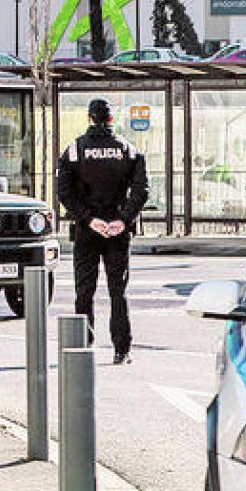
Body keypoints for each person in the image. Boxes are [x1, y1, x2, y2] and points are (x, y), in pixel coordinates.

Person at [57, 99, 149, 364]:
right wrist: (123, 219)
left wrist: (88, 218)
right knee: (118, 291)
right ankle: (122, 349)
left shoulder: (75, 150)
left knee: (84, 291)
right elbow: (141, 190)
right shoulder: (128, 150)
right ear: (111, 120)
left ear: (89, 118)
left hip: (87, 230)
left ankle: (83, 346)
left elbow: (65, 193)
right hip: (117, 230)